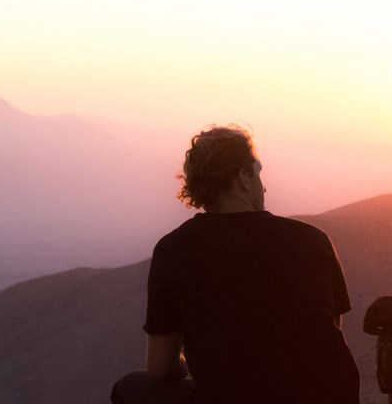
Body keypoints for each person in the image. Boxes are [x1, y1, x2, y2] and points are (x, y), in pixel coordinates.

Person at [110, 125, 359, 404]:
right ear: (243, 176)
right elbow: (330, 333)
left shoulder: (175, 250)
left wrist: (193, 366)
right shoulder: (313, 240)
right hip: (331, 396)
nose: (263, 185)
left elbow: (159, 368)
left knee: (128, 388)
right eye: (259, 171)